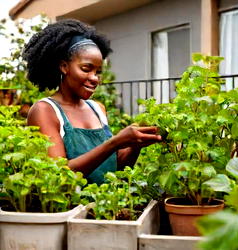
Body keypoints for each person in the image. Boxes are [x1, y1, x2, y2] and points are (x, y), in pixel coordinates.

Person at [23, 19, 162, 185]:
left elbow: (115, 170)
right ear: (64, 66)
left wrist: (135, 144)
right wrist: (115, 143)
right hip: (73, 209)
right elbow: (58, 176)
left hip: (108, 206)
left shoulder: (97, 109)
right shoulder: (44, 111)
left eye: (98, 72)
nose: (94, 78)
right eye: (86, 69)